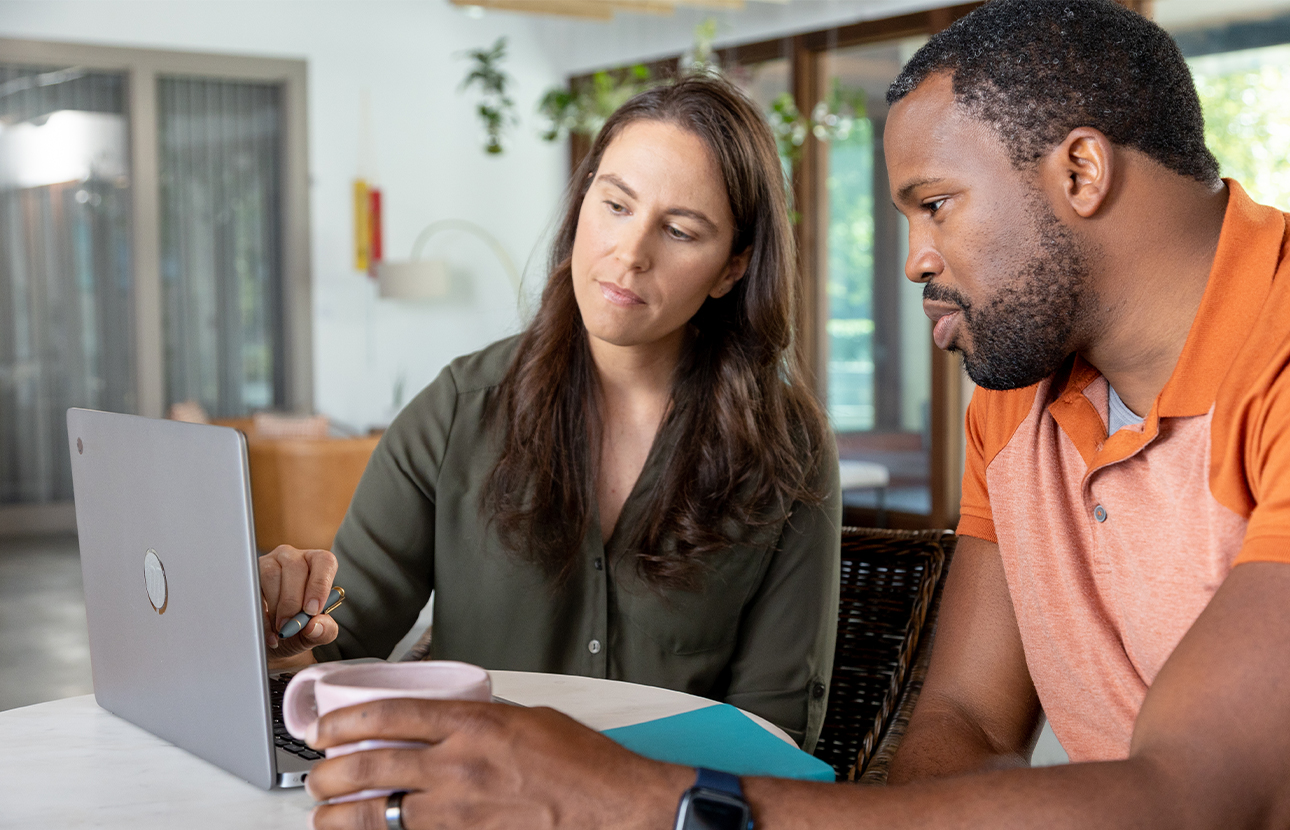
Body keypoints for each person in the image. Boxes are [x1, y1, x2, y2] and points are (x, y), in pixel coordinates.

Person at [297, 2, 1290, 828]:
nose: (912, 261)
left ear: (1079, 171)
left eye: (934, 204)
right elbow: (964, 724)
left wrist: (643, 799)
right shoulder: (1018, 391)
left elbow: (1198, 794)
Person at [257, 74, 842, 750]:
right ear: (581, 204)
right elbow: (337, 649)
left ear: (732, 269)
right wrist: (287, 623)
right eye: (615, 205)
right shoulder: (458, 410)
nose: (629, 253)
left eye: (679, 231)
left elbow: (773, 730)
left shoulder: (790, 448)